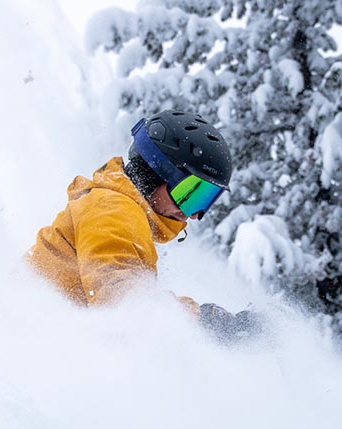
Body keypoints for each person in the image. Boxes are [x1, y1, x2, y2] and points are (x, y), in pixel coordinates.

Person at [25, 111, 257, 341]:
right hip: (32, 343)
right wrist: (203, 319)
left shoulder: (119, 207)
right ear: (157, 172)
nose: (195, 215)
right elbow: (122, 302)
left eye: (206, 199)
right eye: (191, 195)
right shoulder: (111, 209)